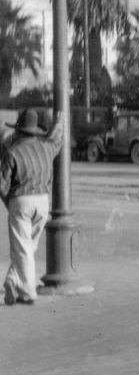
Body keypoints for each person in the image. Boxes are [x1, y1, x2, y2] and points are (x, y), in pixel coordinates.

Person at [2, 108, 66, 306]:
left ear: (19, 132)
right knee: (27, 247)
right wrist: (60, 123)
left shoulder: (12, 152)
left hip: (21, 201)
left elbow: (2, 185)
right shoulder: (46, 147)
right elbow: (57, 140)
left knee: (22, 248)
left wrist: (9, 203)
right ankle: (12, 280)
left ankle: (28, 291)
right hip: (43, 202)